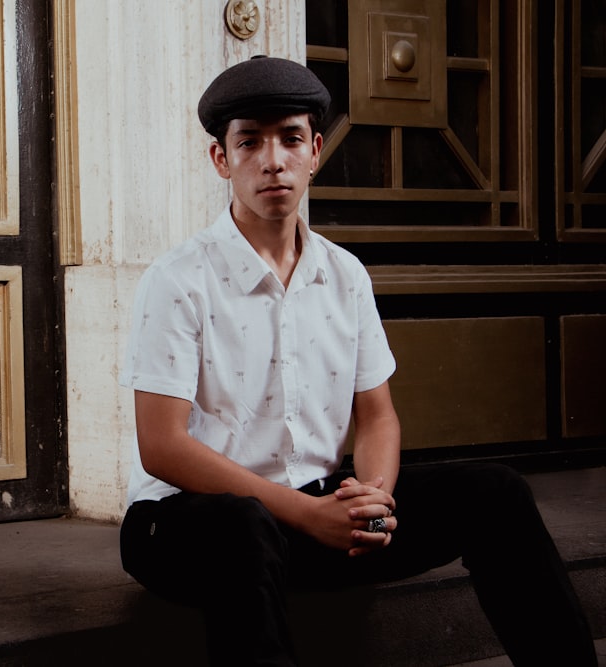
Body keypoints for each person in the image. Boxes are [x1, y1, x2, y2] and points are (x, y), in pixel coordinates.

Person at [118, 56, 596, 666]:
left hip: (316, 512)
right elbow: (162, 447)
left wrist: (370, 502)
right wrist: (309, 516)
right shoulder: (178, 279)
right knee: (245, 525)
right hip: (188, 529)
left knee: (494, 492)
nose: (273, 160)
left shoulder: (344, 275)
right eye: (249, 143)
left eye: (291, 139)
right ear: (222, 160)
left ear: (315, 150)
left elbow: (377, 419)